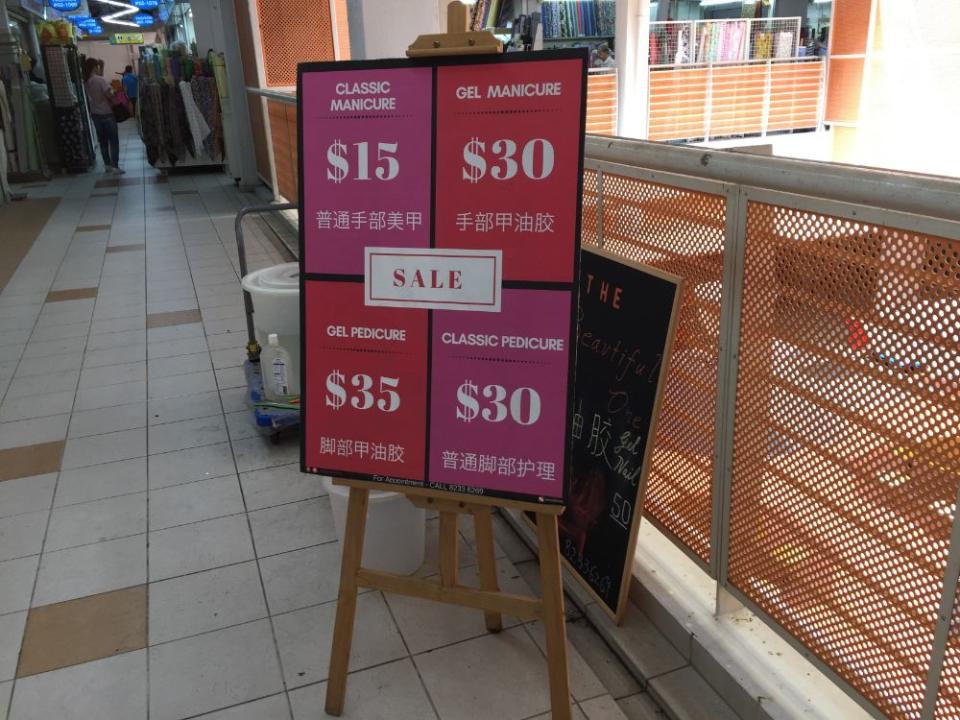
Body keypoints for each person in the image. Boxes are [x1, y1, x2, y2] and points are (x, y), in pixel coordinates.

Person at [83, 57, 123, 175]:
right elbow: (108, 94)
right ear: (95, 67)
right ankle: (115, 166)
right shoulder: (99, 80)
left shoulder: (86, 81)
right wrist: (115, 92)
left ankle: (107, 165)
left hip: (95, 114)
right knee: (113, 140)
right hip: (107, 113)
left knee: (103, 141)